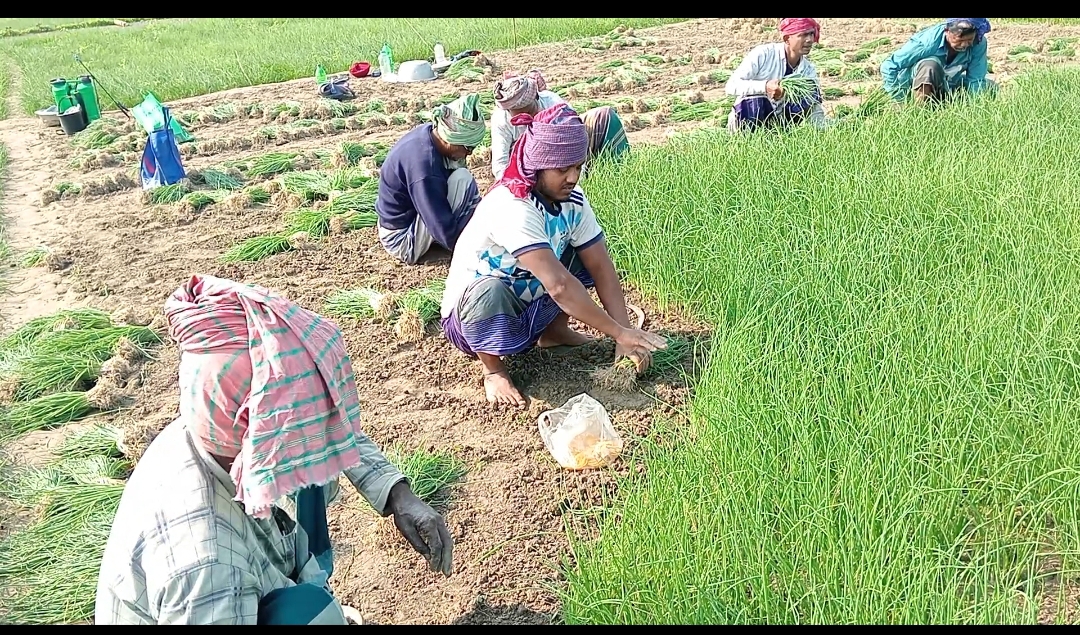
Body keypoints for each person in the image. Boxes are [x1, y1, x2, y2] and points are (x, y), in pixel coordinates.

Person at [95, 274, 454, 625]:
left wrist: (397, 494)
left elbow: (324, 423)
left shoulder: (210, 428)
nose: (312, 431)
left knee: (309, 520)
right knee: (301, 612)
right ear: (255, 428)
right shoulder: (209, 569)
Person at [439, 103, 667, 408]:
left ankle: (554, 332)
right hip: (473, 317)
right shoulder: (512, 205)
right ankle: (493, 369)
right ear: (538, 166)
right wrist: (620, 332)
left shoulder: (573, 200)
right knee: (489, 290)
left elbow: (601, 266)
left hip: (526, 296)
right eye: (562, 169)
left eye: (578, 166)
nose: (573, 177)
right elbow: (558, 285)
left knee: (580, 252)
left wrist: (622, 337)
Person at [375, 93, 486, 265]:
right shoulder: (425, 169)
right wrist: (471, 252)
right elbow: (438, 221)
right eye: (468, 147)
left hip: (412, 218)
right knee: (461, 180)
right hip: (401, 239)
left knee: (461, 178)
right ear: (451, 140)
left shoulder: (431, 133)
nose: (469, 153)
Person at [489, 69, 629, 181]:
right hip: (528, 168)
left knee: (605, 116)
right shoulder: (501, 120)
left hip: (563, 155)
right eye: (517, 114)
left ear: (536, 99)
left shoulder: (553, 103)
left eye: (528, 111)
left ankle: (617, 173)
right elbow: (500, 163)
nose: (524, 117)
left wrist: (578, 181)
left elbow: (576, 137)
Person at [724, 18, 829, 133]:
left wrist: (824, 131)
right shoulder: (763, 54)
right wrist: (765, 87)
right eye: (803, 35)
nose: (809, 40)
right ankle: (747, 141)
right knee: (757, 102)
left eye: (811, 34)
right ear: (787, 39)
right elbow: (731, 86)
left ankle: (780, 136)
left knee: (808, 93)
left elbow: (814, 106)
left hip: (780, 125)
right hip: (748, 120)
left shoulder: (808, 71)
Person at [880, 18, 996, 104]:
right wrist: (899, 100)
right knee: (930, 66)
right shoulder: (927, 43)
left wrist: (974, 107)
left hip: (948, 84)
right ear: (947, 32)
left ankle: (948, 108)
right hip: (915, 87)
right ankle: (920, 113)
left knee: (990, 87)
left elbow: (976, 80)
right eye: (959, 40)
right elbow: (889, 66)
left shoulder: (978, 43)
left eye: (969, 40)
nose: (965, 45)